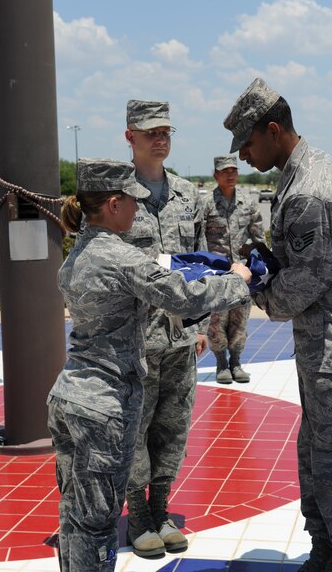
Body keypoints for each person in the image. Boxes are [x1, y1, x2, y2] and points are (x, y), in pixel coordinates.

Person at [47, 158, 252, 572]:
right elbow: (181, 297)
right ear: (113, 204)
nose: (139, 209)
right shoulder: (121, 257)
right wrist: (238, 280)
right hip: (105, 405)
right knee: (99, 526)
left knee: (74, 516)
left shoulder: (78, 254)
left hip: (69, 397)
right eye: (133, 202)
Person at [223, 78, 332, 572]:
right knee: (319, 448)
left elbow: (305, 285)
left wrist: (252, 286)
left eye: (248, 144)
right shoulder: (305, 170)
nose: (245, 156)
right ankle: (326, 551)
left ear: (273, 130)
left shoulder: (308, 189)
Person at [121, 100, 210, 557]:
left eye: (166, 131)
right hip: (135, 338)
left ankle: (162, 510)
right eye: (151, 131)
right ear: (129, 136)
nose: (161, 139)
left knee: (173, 427)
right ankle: (137, 516)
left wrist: (201, 324)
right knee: (135, 428)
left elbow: (200, 263)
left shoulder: (187, 194)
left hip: (179, 338)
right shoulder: (117, 195)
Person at [203, 154, 266, 384]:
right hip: (217, 274)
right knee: (217, 320)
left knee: (240, 319)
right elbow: (199, 238)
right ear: (216, 175)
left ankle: (236, 362)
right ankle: (221, 363)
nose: (230, 175)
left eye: (233, 171)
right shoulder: (207, 204)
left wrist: (259, 265)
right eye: (225, 171)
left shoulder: (248, 203)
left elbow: (258, 237)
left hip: (242, 274)